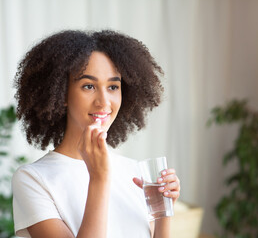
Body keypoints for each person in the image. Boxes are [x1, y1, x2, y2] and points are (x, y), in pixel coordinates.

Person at [12, 30, 181, 238]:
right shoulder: (33, 179)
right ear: (62, 94)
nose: (104, 102)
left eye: (112, 86)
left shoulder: (135, 172)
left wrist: (163, 212)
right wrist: (99, 178)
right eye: (89, 86)